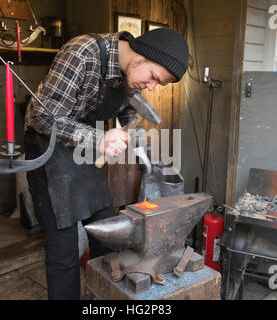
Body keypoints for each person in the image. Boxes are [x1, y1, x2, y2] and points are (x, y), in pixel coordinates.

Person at [24, 28, 189, 300]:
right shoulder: (82, 53)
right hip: (48, 149)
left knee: (107, 235)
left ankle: (102, 300)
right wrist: (99, 138)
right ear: (141, 55)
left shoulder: (129, 75)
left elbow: (125, 110)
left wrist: (144, 152)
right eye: (153, 78)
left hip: (83, 147)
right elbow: (42, 117)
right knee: (64, 250)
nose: (151, 87)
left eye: (159, 84)